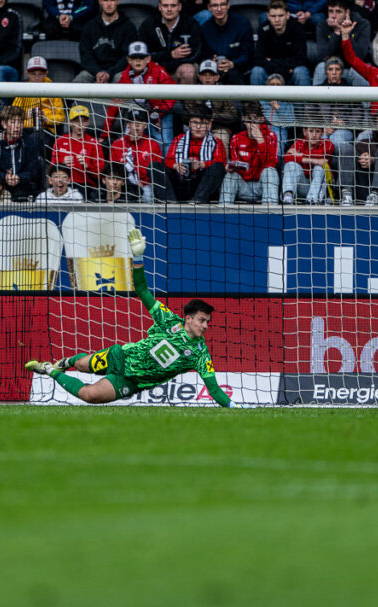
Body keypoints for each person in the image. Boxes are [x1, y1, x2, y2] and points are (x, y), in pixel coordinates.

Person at [25, 229, 251, 408]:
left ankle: (49, 369)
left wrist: (234, 406)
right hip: (120, 357)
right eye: (202, 320)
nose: (206, 326)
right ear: (188, 319)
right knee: (81, 365)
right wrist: (138, 257)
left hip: (132, 381)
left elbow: (213, 388)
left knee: (89, 395)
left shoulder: (200, 354)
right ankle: (64, 363)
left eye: (207, 322)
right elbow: (142, 290)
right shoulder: (168, 320)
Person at [114, 43, 176, 152]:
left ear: (148, 59)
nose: (138, 61)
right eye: (134, 58)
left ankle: (164, 163)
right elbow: (114, 105)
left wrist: (159, 113)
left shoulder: (158, 71)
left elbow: (173, 93)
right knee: (133, 143)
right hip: (137, 115)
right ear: (129, 60)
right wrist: (105, 134)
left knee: (164, 142)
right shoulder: (125, 76)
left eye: (141, 57)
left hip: (160, 113)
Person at [75, 0, 139, 84]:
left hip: (117, 71)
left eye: (112, 0)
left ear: (118, 1)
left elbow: (127, 57)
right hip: (93, 72)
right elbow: (86, 55)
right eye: (105, 0)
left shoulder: (128, 27)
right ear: (100, 2)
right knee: (81, 78)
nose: (109, 4)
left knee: (122, 78)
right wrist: (98, 72)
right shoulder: (90, 26)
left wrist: (109, 73)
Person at [219, 102, 280, 206]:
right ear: (243, 119)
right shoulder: (236, 138)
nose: (252, 124)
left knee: (270, 172)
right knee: (230, 175)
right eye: (248, 119)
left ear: (261, 119)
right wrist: (231, 167)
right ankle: (224, 209)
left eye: (255, 119)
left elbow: (270, 164)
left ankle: (270, 210)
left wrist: (260, 141)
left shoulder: (271, 136)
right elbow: (237, 165)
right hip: (243, 186)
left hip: (262, 186)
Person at [161, 105, 225, 202]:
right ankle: (171, 202)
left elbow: (220, 164)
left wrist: (201, 164)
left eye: (203, 123)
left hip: (202, 183)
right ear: (189, 123)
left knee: (218, 167)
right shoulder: (179, 139)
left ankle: (196, 201)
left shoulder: (216, 142)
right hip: (180, 183)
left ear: (209, 124)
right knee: (155, 166)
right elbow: (168, 161)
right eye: (195, 122)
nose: (198, 127)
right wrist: (176, 166)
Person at [140, 0, 203, 83]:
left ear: (179, 7)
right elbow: (143, 56)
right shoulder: (148, 25)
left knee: (188, 71)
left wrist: (168, 63)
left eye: (173, 6)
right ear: (159, 7)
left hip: (179, 68)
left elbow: (195, 55)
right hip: (155, 68)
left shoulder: (191, 24)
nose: (169, 9)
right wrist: (171, 54)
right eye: (165, 6)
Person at [198, 0, 254, 86]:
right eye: (215, 5)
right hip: (214, 69)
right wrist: (211, 61)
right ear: (209, 7)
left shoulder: (242, 24)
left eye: (222, 4)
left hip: (238, 69)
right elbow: (203, 55)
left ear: (228, 5)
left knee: (233, 75)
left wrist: (233, 63)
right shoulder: (205, 28)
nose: (219, 9)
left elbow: (248, 54)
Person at [314, 0, 372, 85]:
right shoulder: (322, 26)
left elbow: (360, 55)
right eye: (331, 11)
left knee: (359, 69)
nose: (333, 16)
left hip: (351, 69)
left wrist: (346, 33)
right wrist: (336, 32)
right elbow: (322, 56)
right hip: (332, 69)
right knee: (321, 67)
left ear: (347, 12)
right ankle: (316, 95)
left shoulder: (362, 24)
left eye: (338, 12)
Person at [51, 104, 106, 201]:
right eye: (77, 121)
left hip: (85, 186)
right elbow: (52, 169)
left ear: (88, 122)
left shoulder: (94, 143)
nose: (80, 124)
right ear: (70, 123)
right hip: (62, 184)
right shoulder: (60, 141)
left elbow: (100, 173)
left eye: (84, 121)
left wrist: (87, 166)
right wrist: (62, 163)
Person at [110, 109, 164, 203]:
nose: (137, 125)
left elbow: (157, 173)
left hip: (145, 185)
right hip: (123, 185)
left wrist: (143, 182)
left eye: (140, 122)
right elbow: (113, 170)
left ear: (145, 125)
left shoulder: (153, 145)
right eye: (133, 121)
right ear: (128, 124)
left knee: (147, 194)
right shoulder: (117, 144)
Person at [252, 0, 311, 86]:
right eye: (273, 16)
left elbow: (301, 59)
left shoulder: (297, 28)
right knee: (256, 71)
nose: (277, 20)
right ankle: (257, 96)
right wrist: (284, 68)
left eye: (280, 16)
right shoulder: (263, 29)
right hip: (272, 73)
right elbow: (258, 59)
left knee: (301, 71)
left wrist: (271, 61)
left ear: (287, 15)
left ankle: (303, 96)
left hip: (290, 74)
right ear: (268, 16)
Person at [0, 105, 44, 201]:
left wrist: (19, 177)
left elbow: (33, 169)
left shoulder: (30, 142)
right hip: (1, 186)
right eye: (13, 122)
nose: (17, 126)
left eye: (20, 122)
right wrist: (4, 177)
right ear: (4, 124)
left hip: (24, 186)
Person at [282, 125, 335, 205]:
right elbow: (287, 157)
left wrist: (299, 155)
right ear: (304, 132)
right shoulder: (299, 143)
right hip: (302, 185)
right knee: (291, 164)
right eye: (311, 131)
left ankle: (312, 200)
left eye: (317, 131)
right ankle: (288, 196)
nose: (314, 135)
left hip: (320, 188)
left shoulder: (328, 143)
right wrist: (315, 160)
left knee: (319, 168)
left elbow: (321, 156)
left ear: (322, 133)